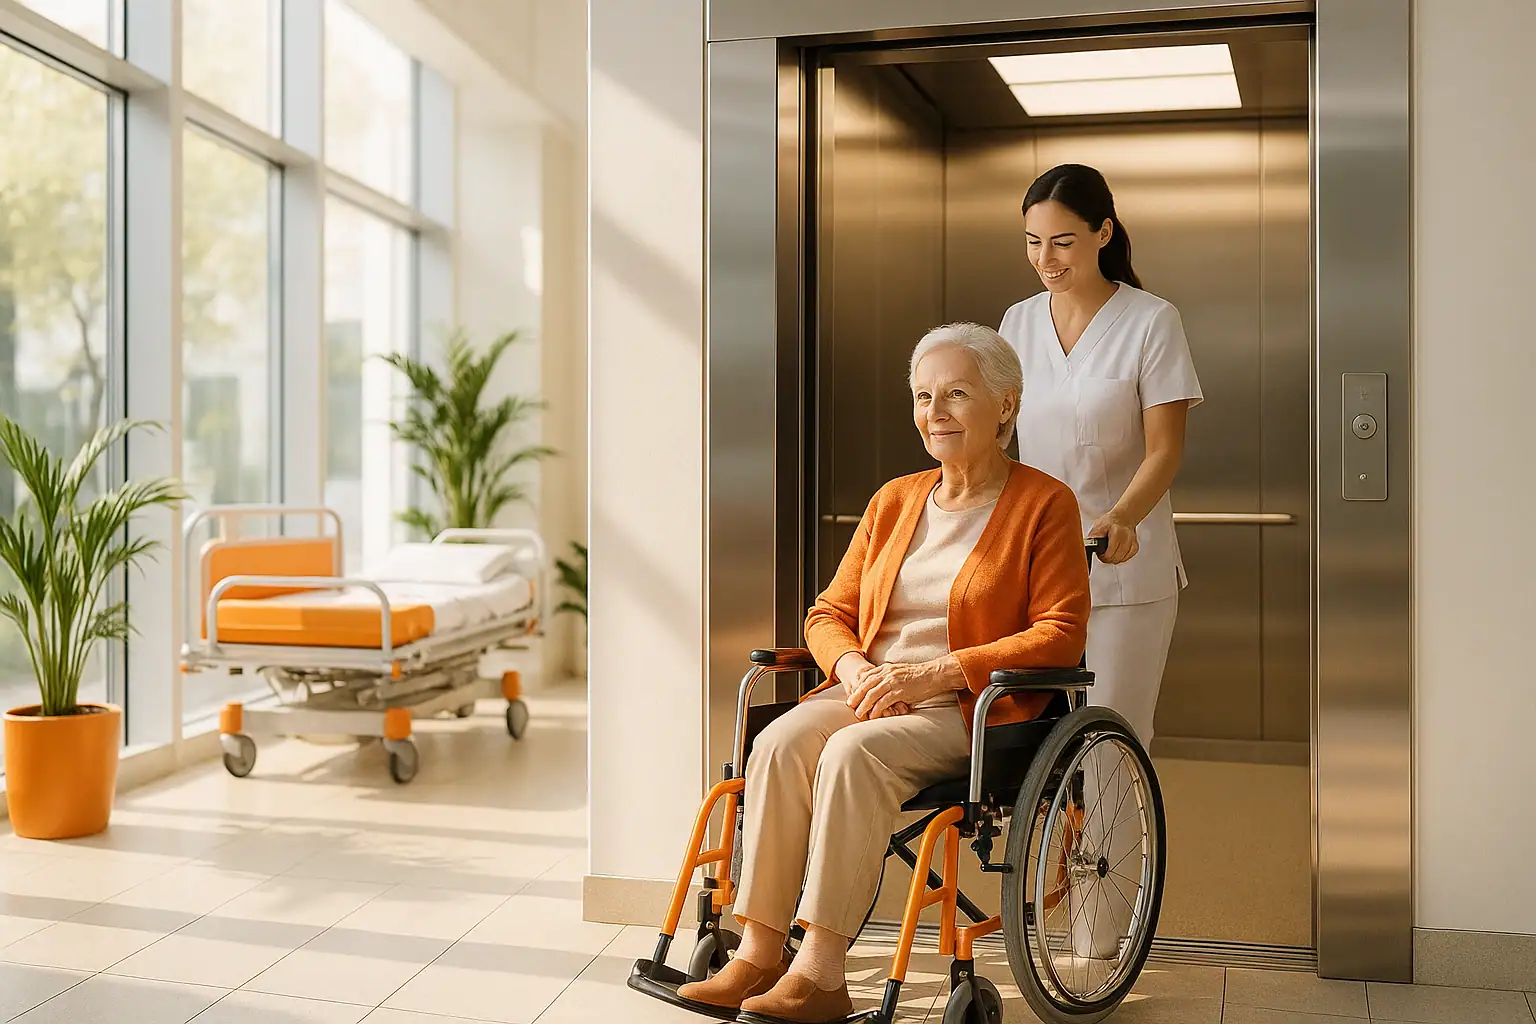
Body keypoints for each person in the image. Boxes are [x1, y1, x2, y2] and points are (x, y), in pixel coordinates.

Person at [676, 323, 1091, 1023]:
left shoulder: (1044, 505)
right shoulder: (895, 500)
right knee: (778, 742)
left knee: (851, 753)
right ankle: (758, 952)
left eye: (957, 394)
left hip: (968, 709)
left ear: (1007, 405)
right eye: (924, 397)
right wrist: (855, 666)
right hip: (870, 689)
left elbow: (1060, 632)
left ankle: (821, 972)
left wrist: (932, 675)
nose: (936, 412)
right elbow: (827, 610)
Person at [998, 164, 1202, 959]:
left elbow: (1166, 450)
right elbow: (998, 440)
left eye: (1064, 242)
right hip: (1038, 568)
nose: (1047, 258)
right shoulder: (1016, 324)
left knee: (1109, 739)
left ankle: (1096, 937)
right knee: (1032, 738)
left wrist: (1121, 517)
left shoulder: (1152, 321)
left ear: (1104, 234)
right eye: (1032, 243)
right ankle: (1041, 897)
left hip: (1126, 569)